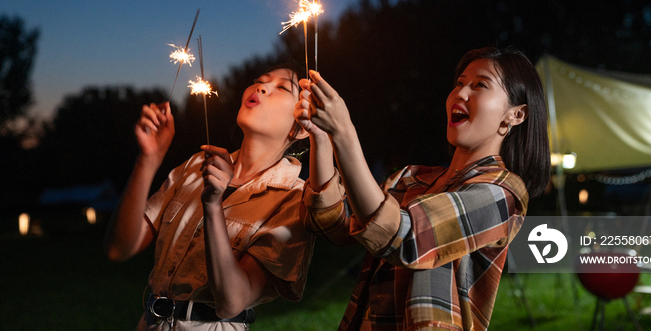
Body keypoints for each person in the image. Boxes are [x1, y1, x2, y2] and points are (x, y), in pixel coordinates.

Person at [295, 47, 550, 330]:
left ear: (515, 115)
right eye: (460, 83)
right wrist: (322, 137)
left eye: (480, 85)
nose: (461, 93)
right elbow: (334, 223)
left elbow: (407, 237)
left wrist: (344, 133)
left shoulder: (503, 192)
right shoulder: (413, 178)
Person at [105, 65, 316, 330]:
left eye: (283, 87)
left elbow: (232, 302)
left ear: (301, 128)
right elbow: (119, 248)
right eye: (259, 81)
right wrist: (148, 160)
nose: (260, 87)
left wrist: (213, 205)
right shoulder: (196, 165)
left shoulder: (293, 200)